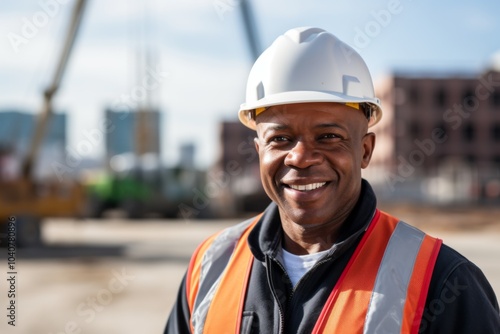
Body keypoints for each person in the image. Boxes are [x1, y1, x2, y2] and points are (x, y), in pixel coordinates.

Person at [165, 27, 500, 334]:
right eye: (280, 139)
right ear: (258, 151)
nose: (300, 156)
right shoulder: (209, 267)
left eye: (328, 136)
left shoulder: (443, 283)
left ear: (365, 150)